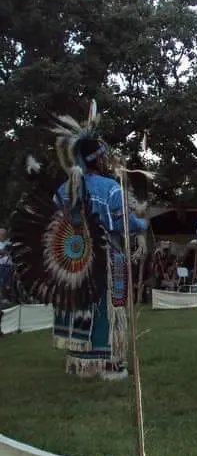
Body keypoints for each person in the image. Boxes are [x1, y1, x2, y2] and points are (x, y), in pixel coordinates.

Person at [9, 100, 149, 379]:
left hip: (74, 261)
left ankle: (80, 362)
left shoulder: (63, 189)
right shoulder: (110, 188)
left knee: (80, 304)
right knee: (108, 307)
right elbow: (122, 223)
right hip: (107, 258)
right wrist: (142, 223)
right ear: (96, 158)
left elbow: (54, 224)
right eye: (103, 156)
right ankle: (109, 363)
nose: (107, 161)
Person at [0, 228, 11, 303]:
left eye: (4, 233)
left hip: (9, 266)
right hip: (0, 265)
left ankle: (6, 297)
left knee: (7, 283)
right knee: (1, 282)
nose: (2, 235)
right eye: (1, 234)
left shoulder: (9, 243)